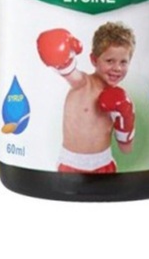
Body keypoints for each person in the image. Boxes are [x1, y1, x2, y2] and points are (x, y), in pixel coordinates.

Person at [36, 21, 136, 174]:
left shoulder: (122, 98)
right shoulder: (83, 84)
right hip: (72, 165)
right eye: (110, 61)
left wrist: (126, 119)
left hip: (105, 163)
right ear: (94, 60)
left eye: (123, 62)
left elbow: (126, 149)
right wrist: (63, 61)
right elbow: (72, 75)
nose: (117, 68)